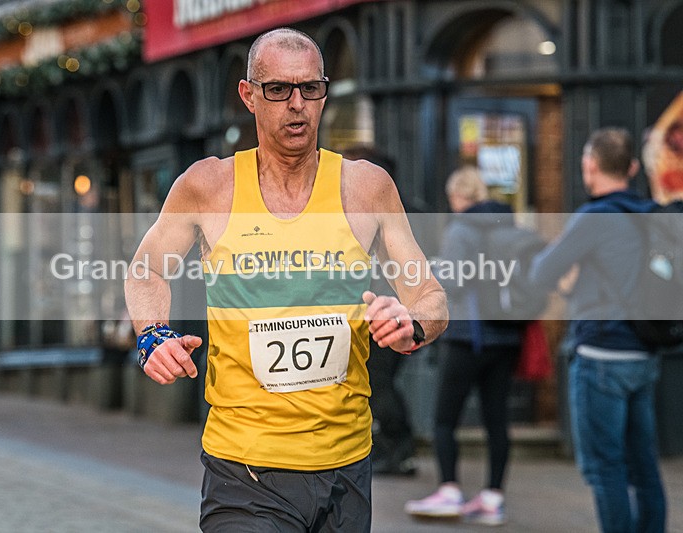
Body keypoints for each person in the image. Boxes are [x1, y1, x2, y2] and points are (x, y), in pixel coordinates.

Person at [125, 27, 448, 532]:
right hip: (244, 467)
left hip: (344, 465)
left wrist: (412, 324)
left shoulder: (366, 187)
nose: (296, 105)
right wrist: (152, 334)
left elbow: (430, 296)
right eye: (278, 90)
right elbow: (146, 270)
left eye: (310, 89)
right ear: (249, 95)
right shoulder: (209, 186)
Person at [529, 128, 667, 532]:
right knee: (644, 469)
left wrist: (567, 284)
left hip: (601, 358)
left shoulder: (594, 217)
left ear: (590, 166)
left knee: (605, 470)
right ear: (633, 168)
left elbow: (541, 272)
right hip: (645, 355)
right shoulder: (649, 214)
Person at [404, 167, 522, 526]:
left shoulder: (461, 229)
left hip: (467, 337)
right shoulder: (508, 226)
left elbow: (451, 284)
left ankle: (450, 490)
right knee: (497, 419)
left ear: (457, 197)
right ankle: (493, 499)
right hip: (506, 337)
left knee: (444, 419)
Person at [343, 145, 418, 476]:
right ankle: (389, 447)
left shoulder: (395, 216)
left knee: (378, 381)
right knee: (374, 381)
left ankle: (398, 447)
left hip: (385, 314)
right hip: (370, 313)